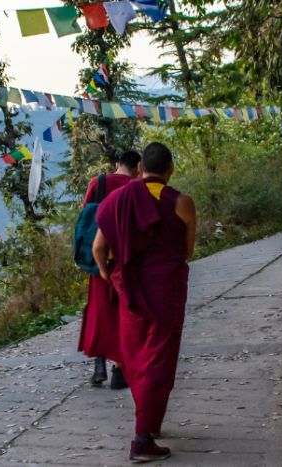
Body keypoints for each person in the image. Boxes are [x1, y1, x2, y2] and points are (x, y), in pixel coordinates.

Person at [92, 143, 197, 462]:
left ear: (140, 169)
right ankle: (141, 440)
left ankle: (149, 425)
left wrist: (108, 275)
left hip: (131, 292)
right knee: (159, 360)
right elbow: (187, 251)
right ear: (171, 169)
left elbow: (98, 248)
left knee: (138, 357)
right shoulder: (181, 203)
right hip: (165, 291)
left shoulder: (116, 201)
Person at [79, 150, 142, 389]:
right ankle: (119, 369)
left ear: (117, 164)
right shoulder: (137, 187)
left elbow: (85, 215)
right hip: (126, 258)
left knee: (98, 311)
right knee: (122, 312)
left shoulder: (98, 182)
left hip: (99, 256)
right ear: (138, 166)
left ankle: (98, 365)